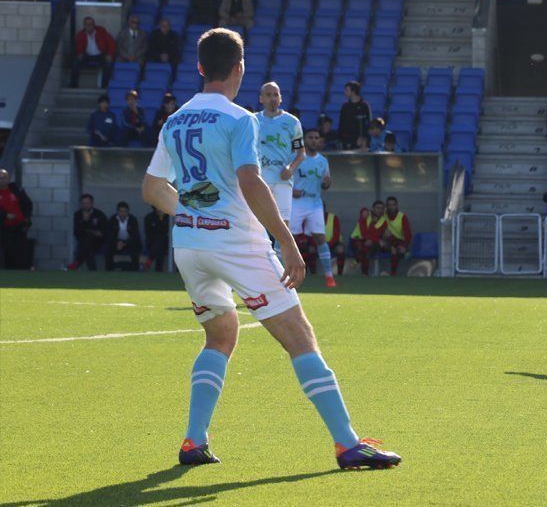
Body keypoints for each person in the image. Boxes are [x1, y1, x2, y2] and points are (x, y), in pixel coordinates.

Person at [141, 27, 400, 468]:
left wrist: (187, 213)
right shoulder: (240, 118)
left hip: (187, 244)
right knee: (299, 335)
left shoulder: (176, 119)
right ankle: (347, 444)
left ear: (200, 67)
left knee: (220, 334)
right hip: (236, 242)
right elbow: (250, 179)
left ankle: (193, 441)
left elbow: (151, 187)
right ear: (239, 68)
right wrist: (286, 242)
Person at [290, 129, 337, 287]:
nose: (314, 140)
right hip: (296, 203)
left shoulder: (323, 161)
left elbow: (326, 183)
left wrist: (327, 183)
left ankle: (329, 277)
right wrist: (292, 191)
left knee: (320, 238)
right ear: (304, 140)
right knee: (290, 239)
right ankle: (285, 274)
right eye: (310, 137)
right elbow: (283, 178)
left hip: (315, 204)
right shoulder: (295, 158)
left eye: (317, 138)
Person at [256, 82, 303, 235]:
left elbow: (300, 153)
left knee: (283, 227)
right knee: (257, 225)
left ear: (281, 98)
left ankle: (282, 259)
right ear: (261, 99)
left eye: (276, 95)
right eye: (268, 95)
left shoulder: (292, 122)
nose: (273, 98)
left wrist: (291, 168)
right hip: (260, 180)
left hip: (283, 182)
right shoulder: (253, 121)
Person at [0, 169, 33, 270]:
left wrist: (26, 218)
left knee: (19, 249)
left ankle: (20, 270)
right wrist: (5, 215)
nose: (3, 180)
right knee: (6, 250)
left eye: (5, 177)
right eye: (0, 178)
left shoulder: (16, 190)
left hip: (18, 226)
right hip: (3, 227)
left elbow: (28, 204)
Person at [71, 16, 115, 88]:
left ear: (94, 25)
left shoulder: (101, 32)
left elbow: (111, 43)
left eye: (91, 24)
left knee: (109, 62)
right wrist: (79, 54)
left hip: (100, 55)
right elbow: (77, 48)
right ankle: (73, 85)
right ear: (84, 26)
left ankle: (104, 85)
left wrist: (110, 54)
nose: (89, 26)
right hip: (87, 55)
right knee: (76, 62)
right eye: (87, 24)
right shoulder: (80, 35)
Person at [69, 193, 107, 271]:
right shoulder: (77, 215)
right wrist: (84, 221)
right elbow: (76, 231)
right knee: (89, 250)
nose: (85, 205)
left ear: (92, 203)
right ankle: (92, 273)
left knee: (90, 238)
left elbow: (105, 230)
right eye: (83, 203)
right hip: (83, 241)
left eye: (87, 203)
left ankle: (77, 262)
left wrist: (97, 232)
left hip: (98, 242)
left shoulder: (99, 214)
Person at [350, 201, 387, 276]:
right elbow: (363, 232)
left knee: (368, 249)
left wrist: (375, 239)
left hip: (369, 241)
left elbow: (376, 234)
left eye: (382, 208)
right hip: (357, 238)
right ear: (373, 209)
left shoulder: (383, 221)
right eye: (377, 208)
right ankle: (364, 273)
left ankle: (358, 263)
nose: (380, 210)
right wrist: (377, 240)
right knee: (365, 246)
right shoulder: (366, 214)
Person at [105, 201, 142, 271]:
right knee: (108, 249)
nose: (123, 213)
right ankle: (108, 270)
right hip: (116, 242)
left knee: (135, 249)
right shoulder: (112, 219)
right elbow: (110, 235)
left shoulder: (132, 220)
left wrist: (125, 243)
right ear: (117, 211)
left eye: (125, 211)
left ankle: (135, 270)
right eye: (121, 211)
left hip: (129, 242)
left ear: (128, 212)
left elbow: (135, 235)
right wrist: (117, 242)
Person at [381, 196, 412, 276]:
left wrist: (404, 246)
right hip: (386, 242)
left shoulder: (402, 216)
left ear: (397, 206)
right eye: (389, 205)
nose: (391, 207)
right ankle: (393, 273)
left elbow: (407, 234)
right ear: (386, 206)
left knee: (394, 249)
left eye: (393, 205)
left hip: (399, 242)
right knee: (386, 232)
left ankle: (392, 274)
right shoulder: (383, 215)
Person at [338, 81, 371, 150]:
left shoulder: (364, 105)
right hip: (346, 140)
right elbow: (341, 124)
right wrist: (340, 139)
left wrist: (364, 138)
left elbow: (368, 123)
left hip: (360, 142)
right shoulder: (345, 106)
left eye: (347, 90)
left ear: (353, 91)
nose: (345, 92)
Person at [144, 205, 170, 272]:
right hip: (152, 243)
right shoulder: (149, 217)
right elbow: (148, 233)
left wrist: (161, 218)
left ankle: (150, 259)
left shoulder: (168, 217)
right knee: (159, 243)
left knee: (161, 240)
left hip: (165, 243)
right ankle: (158, 269)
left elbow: (165, 231)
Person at [324, 205, 345, 275]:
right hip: (319, 244)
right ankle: (312, 273)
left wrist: (328, 245)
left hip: (334, 243)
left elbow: (336, 235)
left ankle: (340, 273)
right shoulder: (312, 218)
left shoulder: (333, 218)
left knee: (340, 250)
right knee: (310, 249)